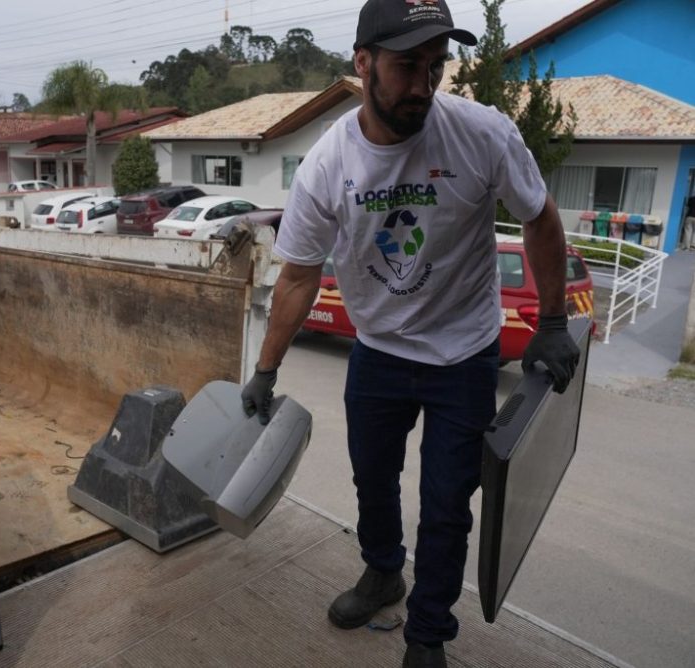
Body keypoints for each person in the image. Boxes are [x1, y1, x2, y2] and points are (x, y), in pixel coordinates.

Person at [240, 1, 580, 666]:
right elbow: (299, 278)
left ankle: (427, 634)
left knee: (448, 503)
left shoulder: (482, 134)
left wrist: (553, 320)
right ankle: (383, 570)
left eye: (436, 66)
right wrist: (267, 368)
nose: (423, 84)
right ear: (363, 64)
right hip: (379, 352)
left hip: (465, 352)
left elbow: (540, 218)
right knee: (373, 480)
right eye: (406, 66)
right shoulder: (327, 166)